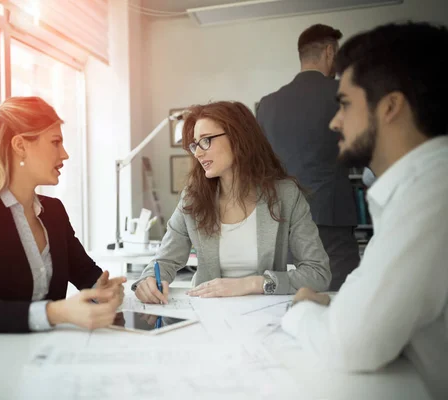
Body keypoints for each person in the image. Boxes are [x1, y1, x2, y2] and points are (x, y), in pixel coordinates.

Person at [281, 22, 448, 399]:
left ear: (390, 107)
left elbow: (350, 343)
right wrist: (331, 301)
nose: (335, 121)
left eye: (344, 104)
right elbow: (367, 285)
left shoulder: (431, 193)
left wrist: (303, 310)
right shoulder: (415, 188)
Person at [0, 96, 126, 345]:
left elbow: (88, 276)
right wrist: (55, 313)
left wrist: (106, 289)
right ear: (20, 146)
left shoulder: (54, 212)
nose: (65, 154)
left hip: (42, 356)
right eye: (55, 142)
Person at [133, 101, 331, 304]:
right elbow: (164, 261)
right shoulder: (192, 198)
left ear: (238, 138)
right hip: (208, 313)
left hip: (266, 315)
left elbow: (318, 272)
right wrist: (148, 280)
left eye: (206, 140)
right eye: (195, 145)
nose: (198, 153)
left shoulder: (286, 195)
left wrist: (252, 284)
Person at [256, 24, 360, 291]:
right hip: (331, 219)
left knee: (291, 295)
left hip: (284, 221)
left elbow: (260, 166)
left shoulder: (267, 104)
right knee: (339, 297)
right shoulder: (343, 94)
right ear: (329, 52)